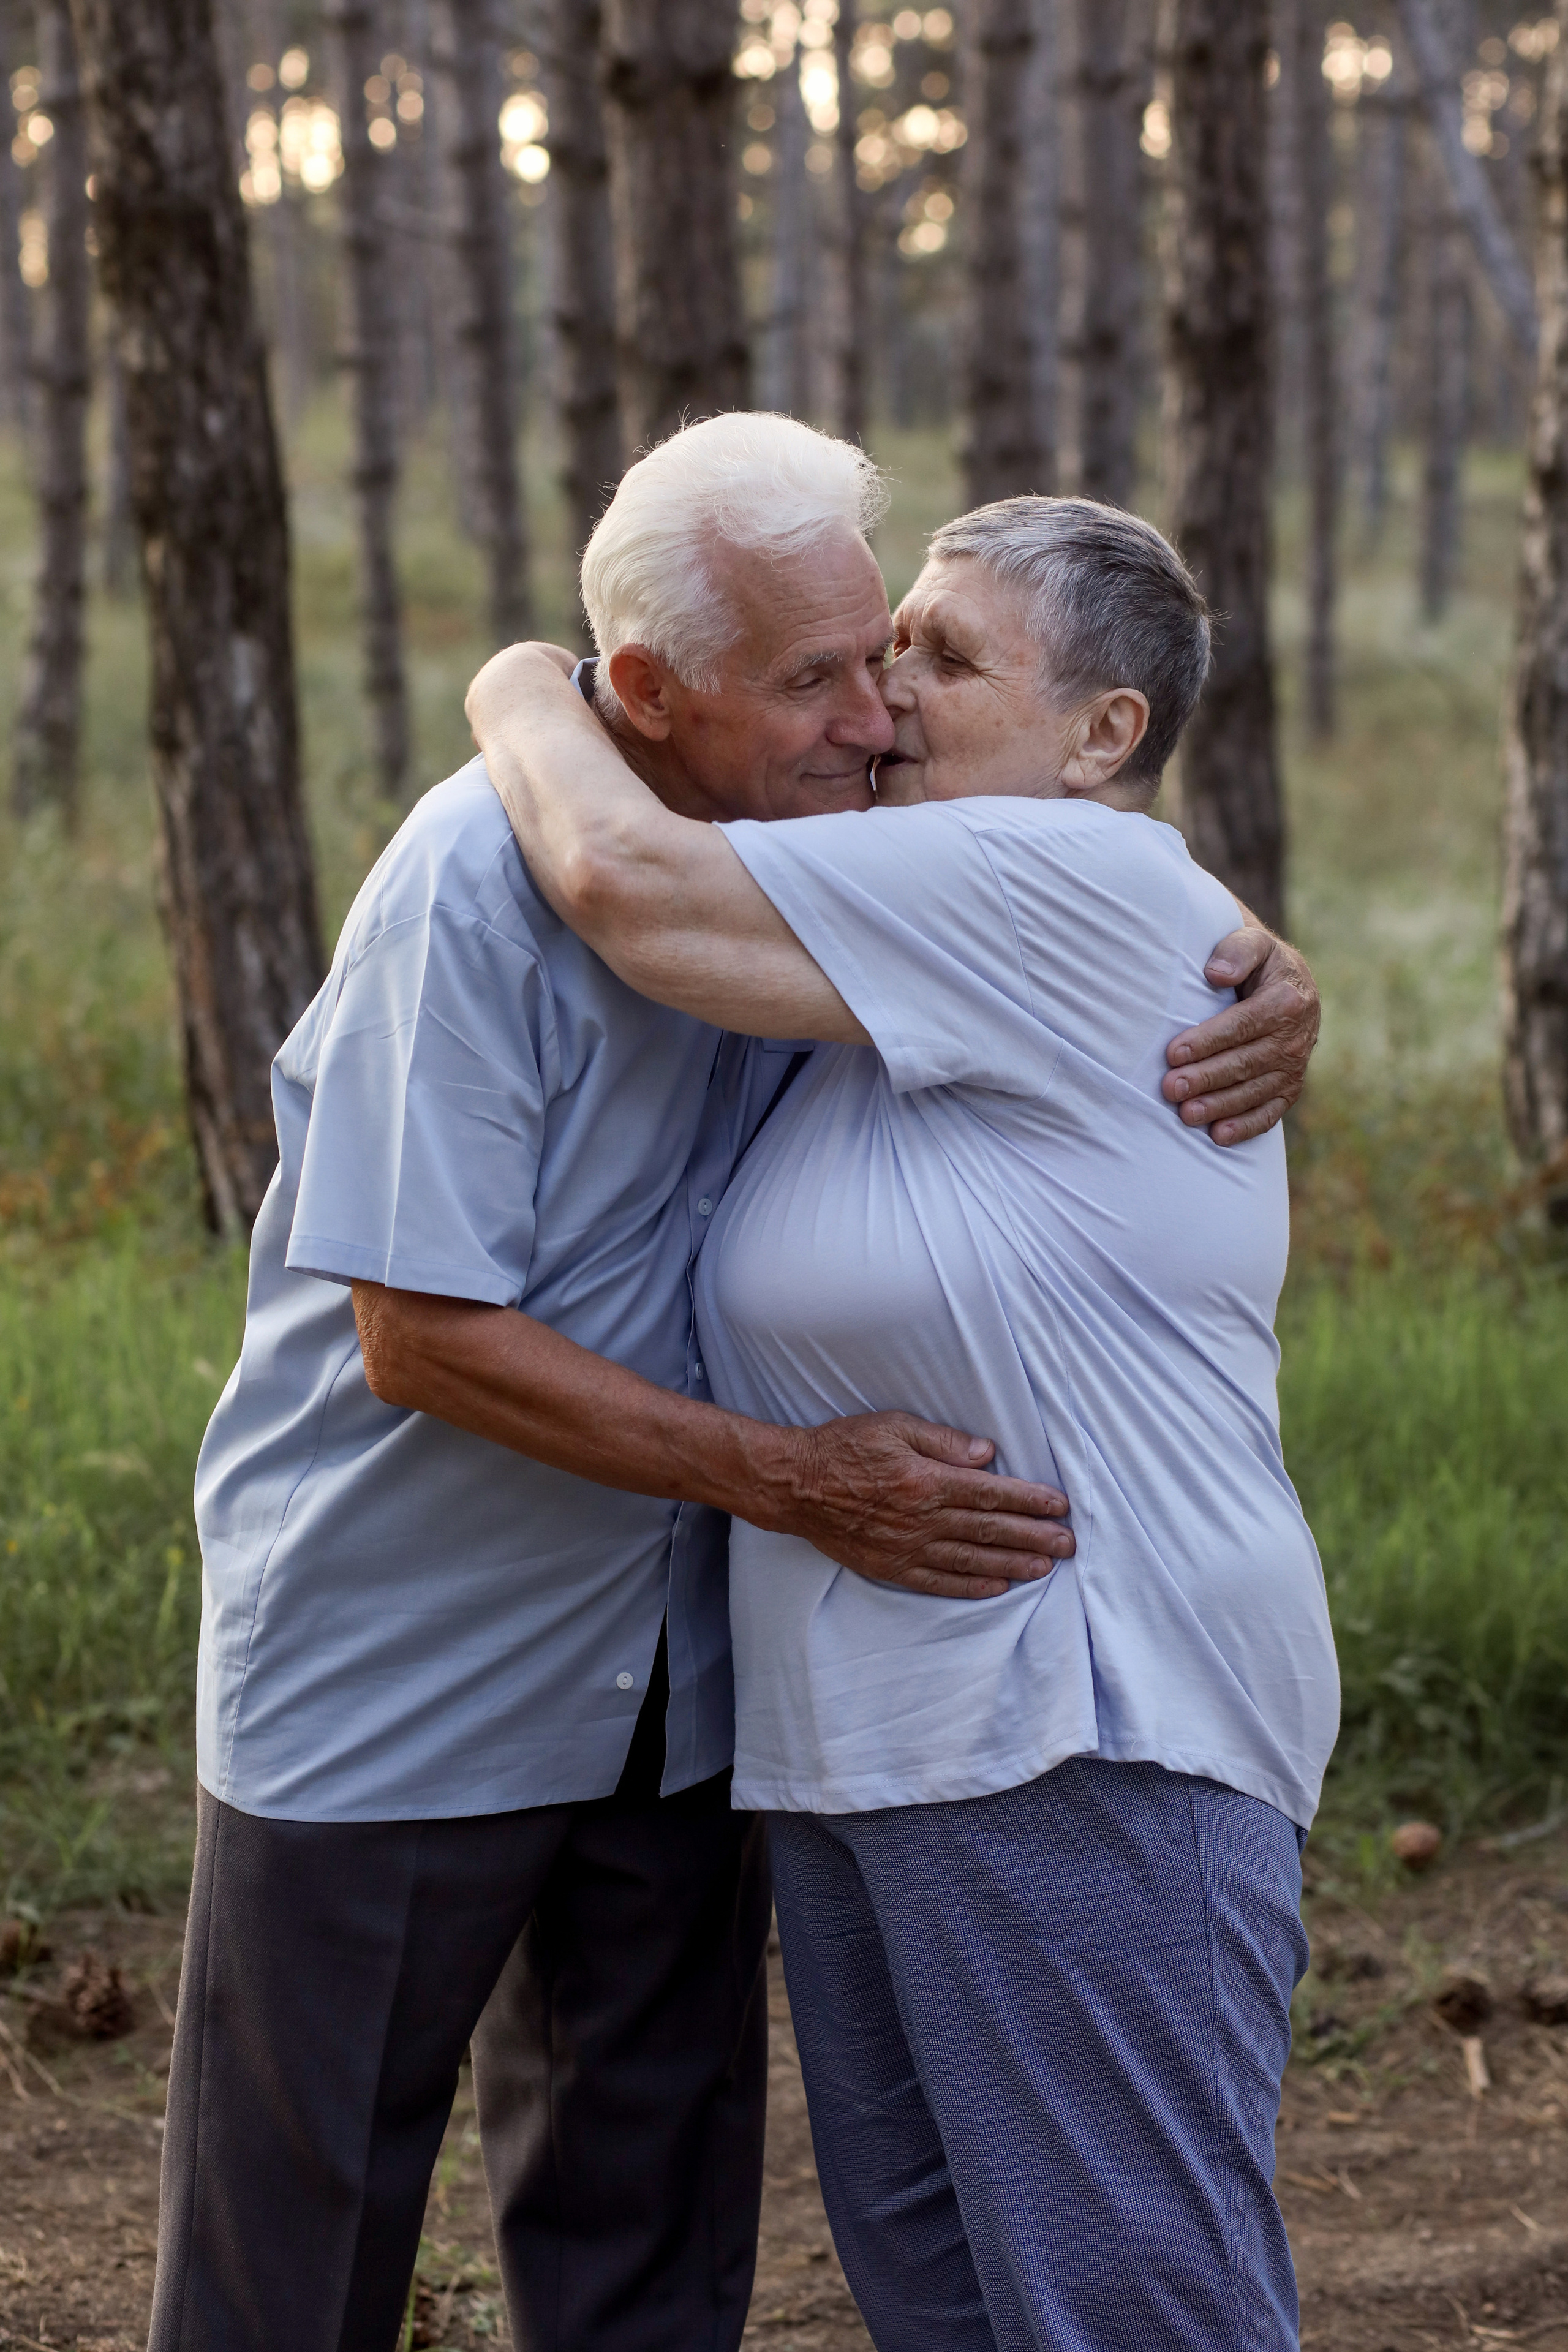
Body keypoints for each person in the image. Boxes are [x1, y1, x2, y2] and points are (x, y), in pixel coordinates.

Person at [153, 415, 1318, 2352]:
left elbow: (1096, 905)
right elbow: (413, 1333)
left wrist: (1244, 948)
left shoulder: (874, 853)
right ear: (645, 691)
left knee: (650, 2262)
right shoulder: (492, 878)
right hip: (412, 1666)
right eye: (832, 672)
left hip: (697, 1700)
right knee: (292, 2264)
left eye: (908, 658)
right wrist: (515, 683)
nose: (876, 713)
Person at [467, 480, 1340, 2352]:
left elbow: (621, 880)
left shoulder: (1065, 874)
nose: (882, 699)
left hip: (1089, 1716)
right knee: (948, 2306)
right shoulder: (906, 942)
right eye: (873, 654)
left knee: (1131, 2311)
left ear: (1103, 736)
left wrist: (520, 683)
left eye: (940, 659)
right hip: (877, 1743)